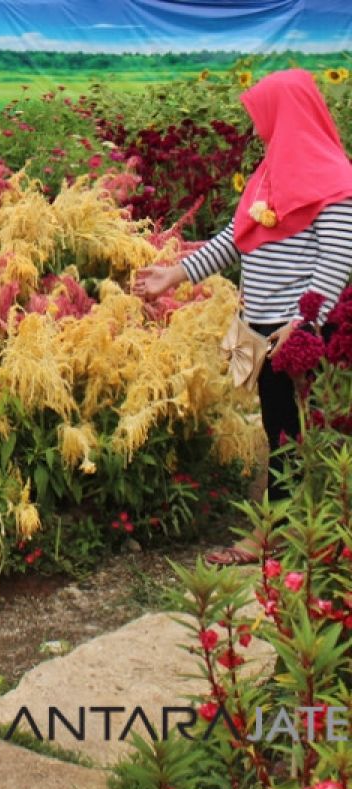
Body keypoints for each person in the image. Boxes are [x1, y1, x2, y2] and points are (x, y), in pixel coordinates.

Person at [134, 68, 352, 565]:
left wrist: (306, 322)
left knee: (316, 432)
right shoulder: (270, 176)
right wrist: (176, 274)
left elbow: (337, 258)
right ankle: (283, 531)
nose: (256, 126)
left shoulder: (336, 179)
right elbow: (236, 239)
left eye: (261, 114)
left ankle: (312, 535)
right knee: (280, 431)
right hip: (266, 327)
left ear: (287, 113)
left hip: (306, 333)